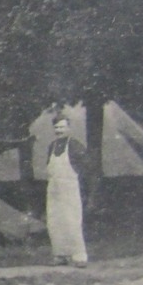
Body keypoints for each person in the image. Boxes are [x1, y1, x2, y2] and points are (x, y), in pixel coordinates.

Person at [46, 114, 89, 267]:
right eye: (57, 127)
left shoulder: (75, 145)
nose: (59, 130)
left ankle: (79, 256)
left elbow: (84, 168)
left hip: (70, 187)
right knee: (54, 220)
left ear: (69, 128)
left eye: (62, 127)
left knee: (72, 220)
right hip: (53, 188)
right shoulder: (52, 146)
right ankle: (60, 255)